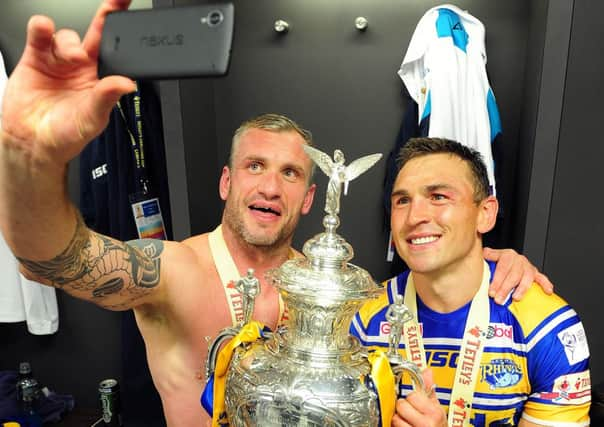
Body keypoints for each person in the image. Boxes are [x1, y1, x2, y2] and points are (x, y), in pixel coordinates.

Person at [0, 1, 553, 426]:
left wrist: (487, 262)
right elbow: (52, 259)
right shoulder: (174, 271)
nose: (270, 185)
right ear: (226, 181)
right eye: (254, 166)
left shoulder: (344, 296)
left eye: (290, 173)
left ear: (309, 199)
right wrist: (27, 162)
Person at [351, 138, 591, 426]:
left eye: (438, 196)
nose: (414, 217)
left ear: (485, 214)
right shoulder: (361, 319)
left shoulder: (547, 326)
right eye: (402, 201)